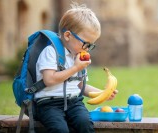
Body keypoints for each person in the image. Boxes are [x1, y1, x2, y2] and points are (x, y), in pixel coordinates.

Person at [34, 2, 118, 133]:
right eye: (86, 43)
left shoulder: (78, 57)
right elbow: (49, 80)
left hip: (73, 102)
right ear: (68, 36)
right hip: (49, 104)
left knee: (85, 124)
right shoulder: (51, 52)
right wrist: (75, 68)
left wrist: (104, 93)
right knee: (59, 129)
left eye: (91, 45)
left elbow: (81, 86)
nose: (87, 49)